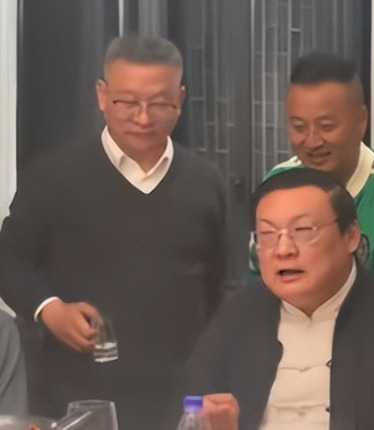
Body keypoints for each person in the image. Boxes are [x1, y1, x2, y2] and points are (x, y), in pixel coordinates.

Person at [0, 35, 226, 429]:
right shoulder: (52, 176)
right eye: (127, 102)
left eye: (159, 103)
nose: (143, 118)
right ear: (102, 96)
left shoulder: (207, 183)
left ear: (181, 98)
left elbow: (226, 287)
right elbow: (9, 260)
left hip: (180, 401)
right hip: (75, 398)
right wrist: (49, 309)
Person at [187, 168, 374, 430]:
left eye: (303, 231)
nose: (283, 250)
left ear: (351, 237)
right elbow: (191, 408)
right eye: (268, 235)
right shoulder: (238, 314)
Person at [250, 52, 374, 285]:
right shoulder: (278, 184)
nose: (312, 141)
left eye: (326, 126)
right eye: (299, 127)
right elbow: (258, 284)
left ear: (361, 121)